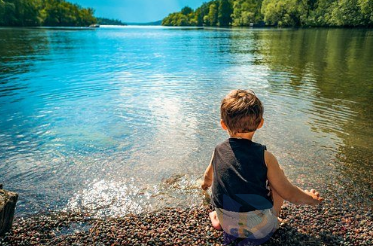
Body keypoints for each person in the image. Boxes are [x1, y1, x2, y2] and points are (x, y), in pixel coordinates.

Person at [201, 89, 323, 243]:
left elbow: (207, 178)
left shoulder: (218, 150)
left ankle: (217, 219)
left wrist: (204, 187)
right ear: (260, 123)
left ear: (223, 125)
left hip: (227, 224)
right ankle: (275, 220)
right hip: (259, 229)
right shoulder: (265, 156)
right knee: (278, 177)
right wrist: (311, 199)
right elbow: (288, 193)